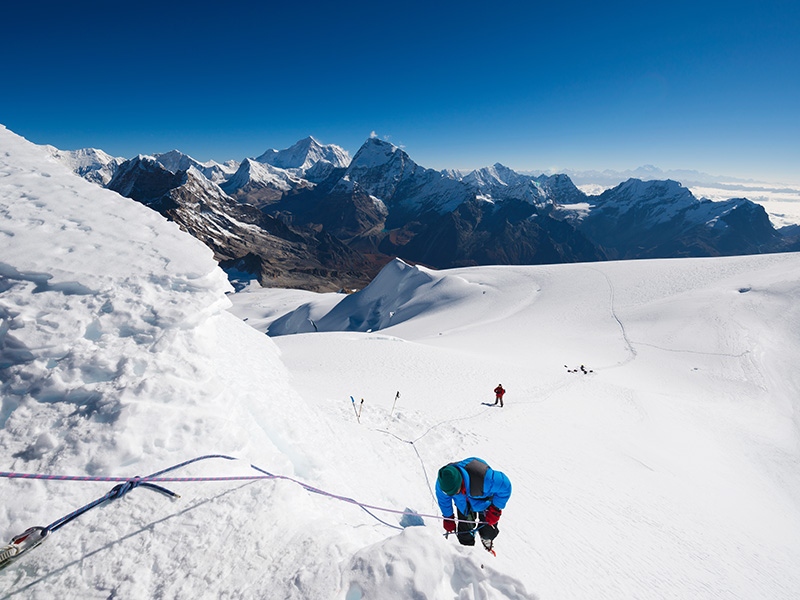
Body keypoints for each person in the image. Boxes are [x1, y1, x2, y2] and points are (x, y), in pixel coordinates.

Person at [436, 457, 512, 553]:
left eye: (456, 491)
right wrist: (448, 517)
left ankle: (487, 540)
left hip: (484, 502)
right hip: (463, 505)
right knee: (464, 533)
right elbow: (444, 500)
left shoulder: (483, 477)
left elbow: (505, 486)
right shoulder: (443, 483)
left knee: (488, 531)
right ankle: (468, 553)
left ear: (460, 482)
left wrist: (495, 510)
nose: (454, 495)